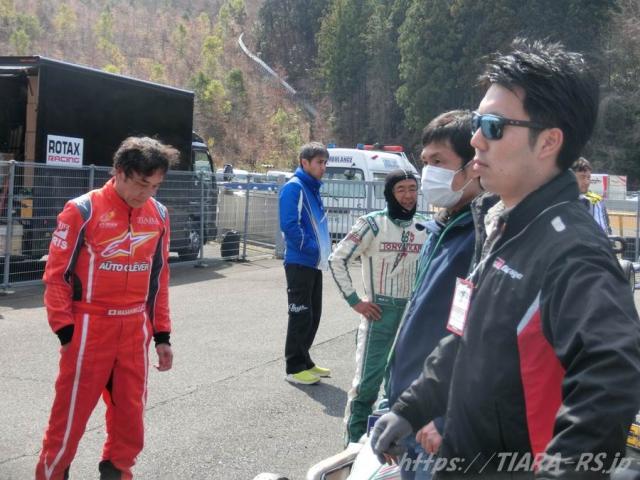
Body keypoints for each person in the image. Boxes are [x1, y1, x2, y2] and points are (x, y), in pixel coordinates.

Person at [371, 39, 640, 479]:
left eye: (493, 126)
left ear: (548, 141)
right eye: (478, 122)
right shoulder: (504, 223)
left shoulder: (574, 251)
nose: (476, 138)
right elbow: (465, 338)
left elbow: (612, 381)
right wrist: (410, 408)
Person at [36, 137, 178, 480]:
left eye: (155, 186)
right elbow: (56, 276)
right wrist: (66, 331)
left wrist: (162, 335)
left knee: (131, 422)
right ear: (119, 172)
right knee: (68, 422)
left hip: (134, 330)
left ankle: (116, 474)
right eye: (141, 184)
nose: (147, 193)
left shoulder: (159, 214)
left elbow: (158, 280)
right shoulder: (82, 210)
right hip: (89, 327)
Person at [385, 110, 484, 480]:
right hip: (412, 408)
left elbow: (476, 337)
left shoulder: (480, 237)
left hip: (438, 424)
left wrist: (443, 416)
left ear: (474, 165)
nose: (428, 173)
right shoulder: (443, 228)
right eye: (425, 162)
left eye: (439, 162)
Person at [329, 169, 428, 445]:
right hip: (379, 314)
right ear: (389, 193)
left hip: (412, 315)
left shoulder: (425, 227)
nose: (408, 196)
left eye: (412, 189)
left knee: (402, 386)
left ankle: (387, 451)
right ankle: (351, 448)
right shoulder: (371, 224)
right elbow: (337, 260)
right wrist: (356, 301)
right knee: (366, 387)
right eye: (401, 190)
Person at [279, 142, 332, 385]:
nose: (324, 167)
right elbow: (290, 226)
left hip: (314, 263)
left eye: (325, 162)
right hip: (299, 262)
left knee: (313, 314)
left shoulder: (312, 188)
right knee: (300, 314)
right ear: (305, 162)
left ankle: (305, 360)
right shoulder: (294, 187)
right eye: (319, 162)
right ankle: (294, 367)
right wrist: (313, 249)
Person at [571, 157, 611, 234]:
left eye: (588, 177)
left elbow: (604, 234)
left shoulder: (595, 200)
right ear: (570, 177)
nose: (587, 182)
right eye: (582, 177)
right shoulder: (558, 199)